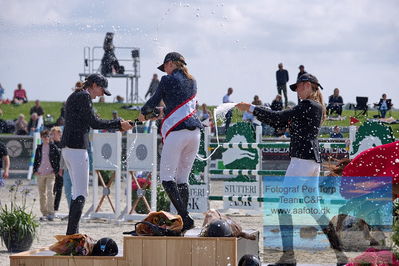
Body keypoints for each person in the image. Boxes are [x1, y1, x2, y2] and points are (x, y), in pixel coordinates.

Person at [236, 73, 347, 266]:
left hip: (301, 162)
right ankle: (341, 255)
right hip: (312, 163)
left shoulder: (308, 105)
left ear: (308, 86)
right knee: (315, 209)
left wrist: (251, 108)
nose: (297, 92)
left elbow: (278, 117)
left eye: (299, 87)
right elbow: (281, 121)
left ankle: (289, 258)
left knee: (283, 208)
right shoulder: (315, 107)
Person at [138, 52, 202, 232]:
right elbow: (179, 106)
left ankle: (185, 216)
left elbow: (154, 99)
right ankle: (183, 217)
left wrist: (144, 112)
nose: (164, 70)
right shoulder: (193, 80)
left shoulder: (167, 80)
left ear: (171, 64)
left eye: (165, 66)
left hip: (177, 133)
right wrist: (160, 112)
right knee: (182, 178)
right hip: (195, 132)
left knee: (166, 178)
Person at [61, 74, 132, 235]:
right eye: (100, 89)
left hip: (68, 148)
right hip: (77, 148)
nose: (101, 94)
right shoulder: (84, 97)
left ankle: (72, 232)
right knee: (81, 193)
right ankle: (72, 234)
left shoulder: (75, 95)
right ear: (93, 85)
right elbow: (94, 123)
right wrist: (118, 125)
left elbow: (88, 120)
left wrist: (117, 123)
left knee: (75, 193)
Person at [33, 130, 60, 221]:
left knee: (50, 192)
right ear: (41, 137)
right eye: (44, 136)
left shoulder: (53, 147)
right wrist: (35, 170)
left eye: (48, 136)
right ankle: (44, 213)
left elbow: (58, 159)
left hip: (50, 173)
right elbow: (36, 159)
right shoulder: (39, 148)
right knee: (42, 194)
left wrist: (55, 170)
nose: (46, 138)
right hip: (40, 173)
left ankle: (51, 212)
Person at [50, 126, 64, 212]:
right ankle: (50, 206)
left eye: (55, 134)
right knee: (51, 189)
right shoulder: (50, 145)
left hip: (60, 169)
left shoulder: (62, 144)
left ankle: (56, 207)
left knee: (59, 189)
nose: (53, 135)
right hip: (51, 169)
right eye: (52, 134)